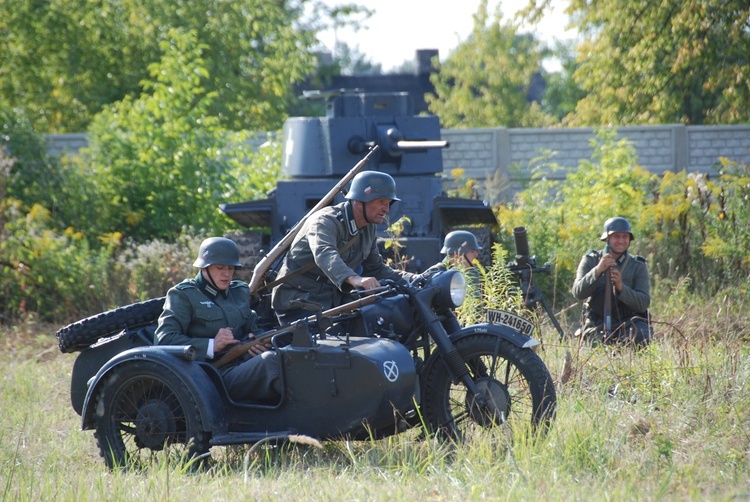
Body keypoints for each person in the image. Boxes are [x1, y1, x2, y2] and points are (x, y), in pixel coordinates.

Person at [271, 170, 414, 324]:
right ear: (360, 201)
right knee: (342, 344)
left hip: (333, 300)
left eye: (388, 203)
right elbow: (325, 254)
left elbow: (376, 268)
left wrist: (411, 279)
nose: (387, 209)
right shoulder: (325, 221)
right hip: (299, 301)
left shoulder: (367, 227)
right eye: (381, 202)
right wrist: (355, 279)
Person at [155, 237, 282, 403]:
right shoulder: (183, 295)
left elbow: (254, 327)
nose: (226, 274)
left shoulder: (239, 292)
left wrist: (259, 342)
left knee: (290, 355)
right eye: (220, 267)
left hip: (243, 364)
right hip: (211, 378)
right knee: (271, 363)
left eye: (231, 268)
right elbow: (163, 340)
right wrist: (211, 345)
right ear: (204, 267)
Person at [572, 217, 652, 346]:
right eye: (616, 236)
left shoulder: (637, 266)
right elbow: (578, 292)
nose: (621, 241)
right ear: (607, 238)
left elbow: (643, 303)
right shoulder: (590, 260)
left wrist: (621, 288)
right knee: (595, 346)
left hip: (628, 322)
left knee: (641, 335)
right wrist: (597, 271)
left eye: (625, 237)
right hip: (597, 322)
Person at [441, 230, 482, 301]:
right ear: (458, 255)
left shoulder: (472, 273)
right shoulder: (437, 273)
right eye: (472, 251)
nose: (476, 255)